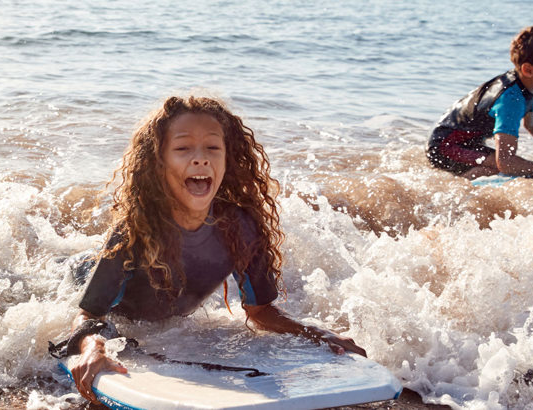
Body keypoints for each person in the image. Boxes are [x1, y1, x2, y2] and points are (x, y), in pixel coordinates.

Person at [64, 96, 365, 404]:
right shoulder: (135, 231)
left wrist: (318, 334)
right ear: (158, 162)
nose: (201, 159)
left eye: (213, 148)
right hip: (87, 276)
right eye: (182, 148)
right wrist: (93, 348)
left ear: (227, 159)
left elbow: (260, 311)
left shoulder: (242, 227)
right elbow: (88, 314)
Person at [426, 24, 533, 180]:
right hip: (444, 146)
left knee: (511, 167)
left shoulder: (531, 87)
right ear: (528, 70)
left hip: (467, 143)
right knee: (499, 171)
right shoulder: (510, 99)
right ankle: (456, 186)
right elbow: (506, 162)